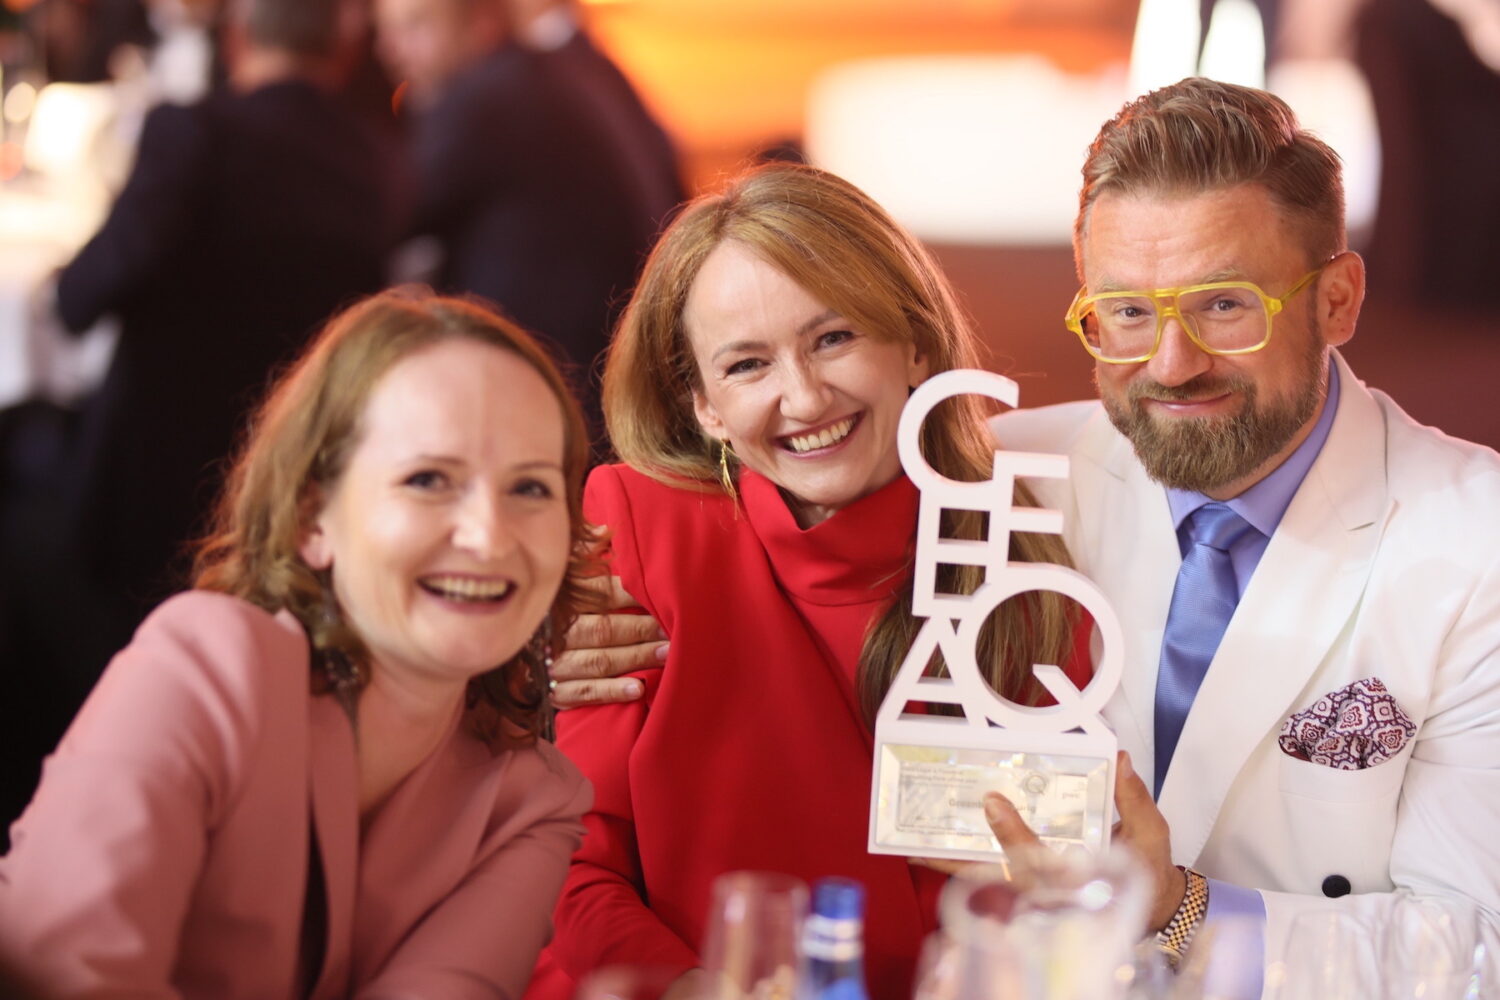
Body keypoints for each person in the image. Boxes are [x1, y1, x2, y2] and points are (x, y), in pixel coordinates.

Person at [980, 78, 1500, 992]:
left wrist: (1182, 911)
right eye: (1127, 312)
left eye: (1223, 304)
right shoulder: (1003, 478)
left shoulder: (1478, 543)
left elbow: (1477, 947)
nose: (1172, 364)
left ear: (1337, 300)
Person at [526, 163, 1088, 1000]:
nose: (804, 397)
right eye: (748, 365)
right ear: (703, 405)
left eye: (834, 339)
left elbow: (1052, 880)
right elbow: (573, 864)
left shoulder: (1021, 552)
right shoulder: (643, 531)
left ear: (915, 346)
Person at [0, 290, 593, 998]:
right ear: (313, 518)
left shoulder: (536, 802)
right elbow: (66, 978)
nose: (490, 537)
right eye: (429, 480)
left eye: (531, 488)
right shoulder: (208, 663)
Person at [0, 0, 406, 837]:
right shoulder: (378, 156)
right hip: (284, 492)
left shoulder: (195, 132)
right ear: (343, 51)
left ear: (236, 38)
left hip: (144, 498)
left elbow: (80, 299)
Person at [376, 0, 685, 441]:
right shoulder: (549, 77)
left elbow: (387, 217)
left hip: (554, 371)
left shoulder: (483, 97)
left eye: (416, 27)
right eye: (385, 31)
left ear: (481, 25)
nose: (391, 50)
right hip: (606, 363)